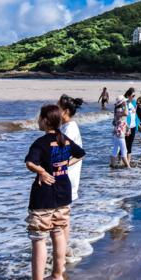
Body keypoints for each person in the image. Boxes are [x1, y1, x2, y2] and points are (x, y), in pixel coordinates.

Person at [18, 104, 86, 280]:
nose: (38, 121)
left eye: (40, 118)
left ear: (46, 121)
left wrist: (41, 171)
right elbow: (81, 153)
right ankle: (57, 274)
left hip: (44, 196)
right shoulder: (64, 139)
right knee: (57, 232)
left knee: (39, 239)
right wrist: (64, 164)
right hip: (63, 193)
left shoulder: (40, 143)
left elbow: (30, 163)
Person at [57, 95, 84, 245]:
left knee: (62, 216)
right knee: (63, 216)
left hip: (66, 179)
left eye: (57, 107)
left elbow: (76, 154)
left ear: (65, 111)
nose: (55, 110)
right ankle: (63, 250)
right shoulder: (68, 127)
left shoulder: (69, 129)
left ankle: (63, 252)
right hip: (67, 178)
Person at [110, 96, 130, 168]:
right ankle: (128, 167)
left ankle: (112, 165)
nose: (125, 102)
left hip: (117, 132)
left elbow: (123, 120)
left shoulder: (117, 109)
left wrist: (127, 129)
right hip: (120, 133)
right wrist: (125, 105)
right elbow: (126, 114)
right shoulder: (119, 109)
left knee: (115, 149)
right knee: (124, 151)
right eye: (124, 101)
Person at [124, 88, 139, 156]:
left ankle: (128, 163)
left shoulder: (134, 102)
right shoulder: (124, 103)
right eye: (132, 96)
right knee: (124, 144)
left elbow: (135, 114)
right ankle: (121, 160)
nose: (133, 97)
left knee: (130, 144)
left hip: (133, 126)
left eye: (134, 96)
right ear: (127, 95)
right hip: (127, 126)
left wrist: (138, 124)